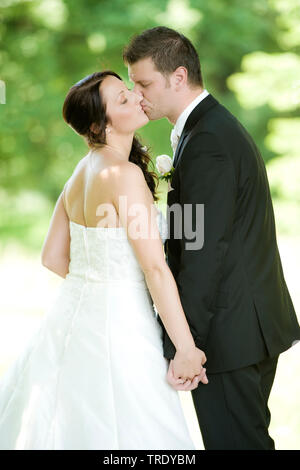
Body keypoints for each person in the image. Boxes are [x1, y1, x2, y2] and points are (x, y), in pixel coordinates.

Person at [0, 70, 208, 450]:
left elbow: (52, 257)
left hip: (73, 318)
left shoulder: (80, 173)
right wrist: (186, 349)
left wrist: (97, 281)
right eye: (123, 99)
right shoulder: (123, 175)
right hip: (123, 324)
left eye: (129, 91)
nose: (135, 97)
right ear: (100, 125)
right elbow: (155, 269)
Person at [123, 26, 300, 450]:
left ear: (178, 77)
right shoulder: (206, 129)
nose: (139, 94)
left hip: (228, 332)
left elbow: (203, 252)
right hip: (246, 323)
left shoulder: (208, 142)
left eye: (144, 83)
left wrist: (187, 344)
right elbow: (199, 234)